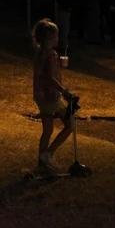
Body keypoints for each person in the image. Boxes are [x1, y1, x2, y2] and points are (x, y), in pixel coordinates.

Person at [32, 18, 75, 170]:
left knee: (48, 129)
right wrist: (64, 91)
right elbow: (50, 77)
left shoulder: (39, 52)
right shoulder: (51, 55)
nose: (58, 39)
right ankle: (48, 154)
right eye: (56, 36)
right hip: (51, 96)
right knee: (70, 125)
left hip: (40, 95)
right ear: (50, 39)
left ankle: (42, 164)